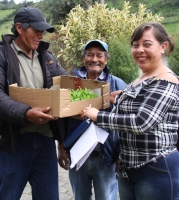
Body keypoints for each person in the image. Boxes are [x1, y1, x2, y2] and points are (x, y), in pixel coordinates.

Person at [81, 22, 179, 200]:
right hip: (129, 169)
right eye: (135, 45)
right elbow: (137, 100)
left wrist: (97, 116)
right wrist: (118, 97)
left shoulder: (167, 80)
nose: (139, 50)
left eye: (147, 44)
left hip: (157, 169)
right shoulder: (142, 78)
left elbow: (141, 122)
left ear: (163, 47)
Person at [0, 7, 69, 200]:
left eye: (43, 30)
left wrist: (94, 92)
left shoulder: (46, 58)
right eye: (36, 30)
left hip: (45, 140)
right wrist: (26, 113)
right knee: (8, 196)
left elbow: (67, 83)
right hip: (15, 141)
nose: (41, 35)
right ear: (19, 28)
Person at [58, 39, 127, 200]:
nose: (94, 59)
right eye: (90, 55)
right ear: (84, 58)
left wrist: (120, 154)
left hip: (106, 158)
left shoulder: (117, 85)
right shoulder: (72, 83)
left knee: (106, 197)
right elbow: (61, 119)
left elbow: (125, 122)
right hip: (77, 156)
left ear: (106, 59)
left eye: (99, 55)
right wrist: (61, 147)